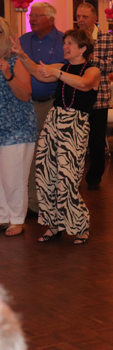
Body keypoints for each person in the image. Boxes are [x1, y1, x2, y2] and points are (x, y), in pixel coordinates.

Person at [13, 29, 100, 245]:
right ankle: (54, 225)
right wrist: (22, 55)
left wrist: (57, 73)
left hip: (75, 125)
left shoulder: (93, 70)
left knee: (68, 178)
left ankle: (80, 226)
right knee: (45, 174)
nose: (65, 46)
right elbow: (37, 71)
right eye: (65, 43)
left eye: (70, 43)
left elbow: (83, 84)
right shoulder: (62, 67)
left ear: (83, 48)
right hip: (54, 120)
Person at [19, 2, 65, 219]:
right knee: (27, 152)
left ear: (51, 19)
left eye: (37, 15)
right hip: (25, 104)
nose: (32, 18)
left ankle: (51, 202)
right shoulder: (23, 40)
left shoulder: (65, 41)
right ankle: (31, 202)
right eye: (31, 14)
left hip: (52, 103)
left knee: (48, 154)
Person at [0, 17, 35, 237]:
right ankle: (3, 216)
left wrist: (7, 74)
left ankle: (16, 219)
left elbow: (25, 94)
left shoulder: (16, 61)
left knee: (14, 176)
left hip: (18, 126)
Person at [76, 3, 113, 190]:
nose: (81, 20)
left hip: (99, 99)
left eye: (84, 16)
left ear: (94, 19)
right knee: (76, 140)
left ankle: (94, 177)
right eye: (78, 16)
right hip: (76, 96)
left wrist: (91, 58)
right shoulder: (72, 37)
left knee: (97, 141)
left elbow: (109, 67)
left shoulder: (106, 38)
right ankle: (73, 176)